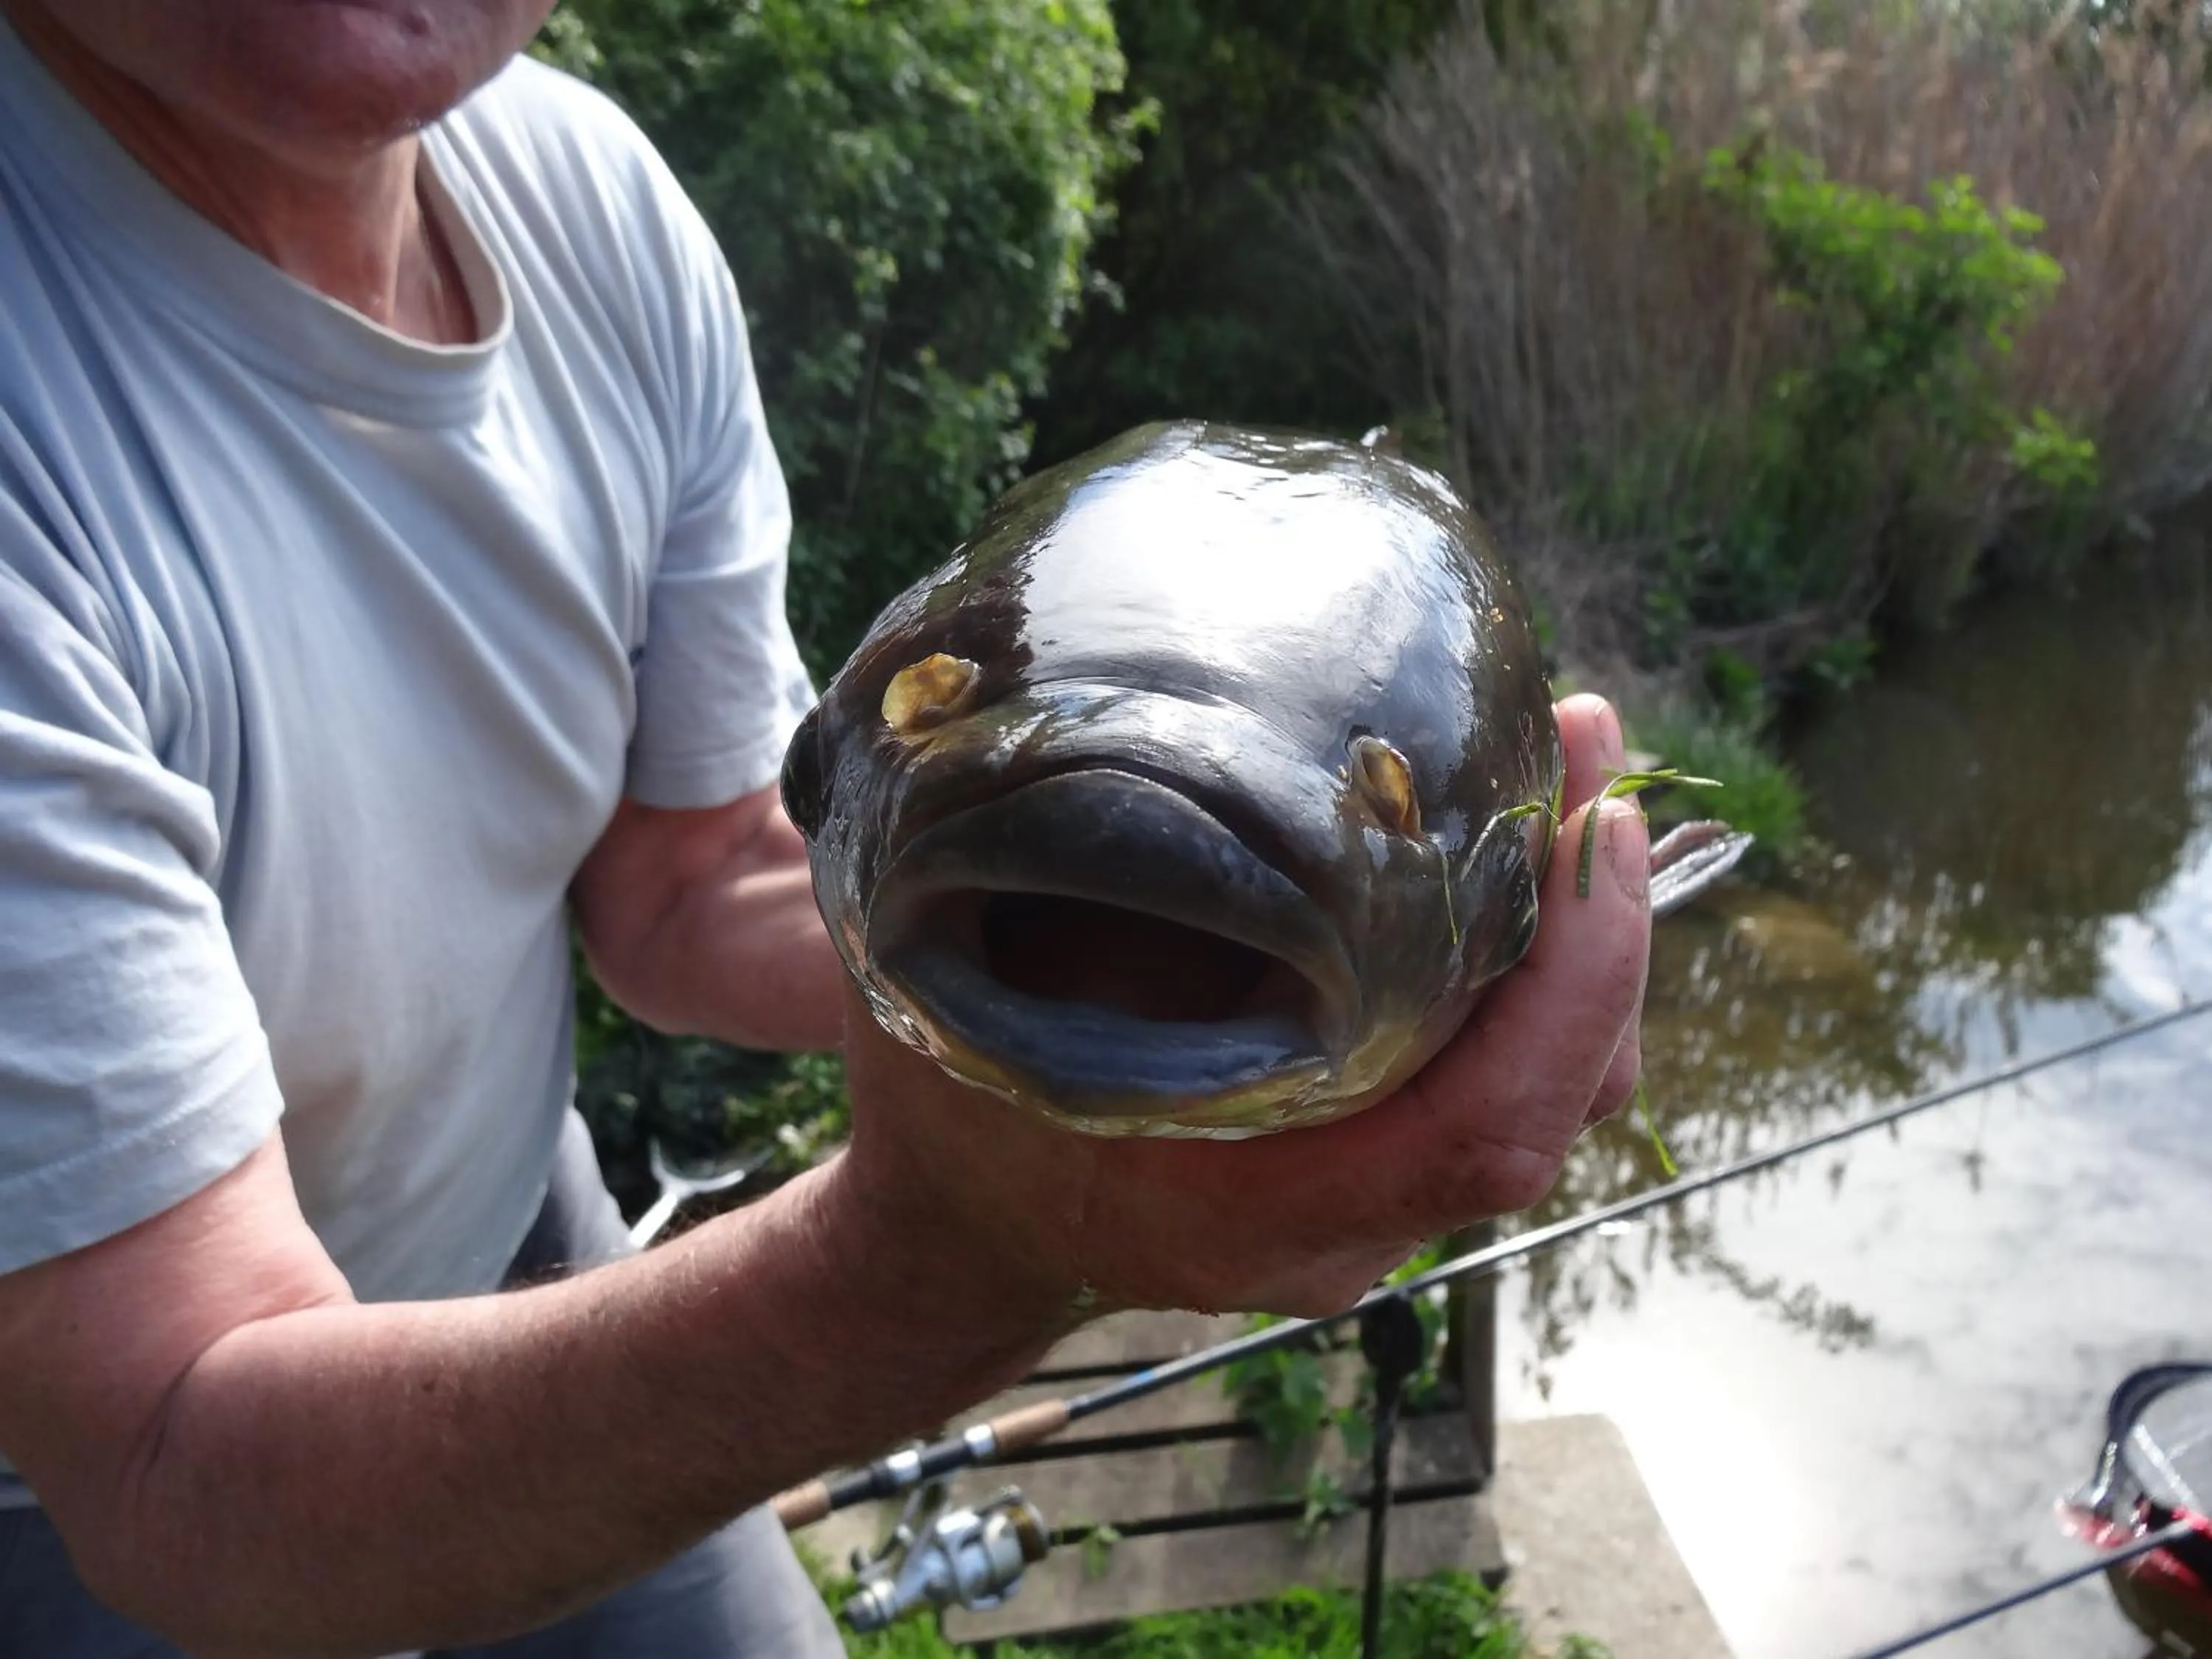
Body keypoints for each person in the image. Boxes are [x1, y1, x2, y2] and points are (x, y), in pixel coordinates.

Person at [0, 1, 1655, 1655]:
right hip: (84, 1488)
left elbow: (688, 880)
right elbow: (169, 1462)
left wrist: (1125, 969)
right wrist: (951, 1251)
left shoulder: (588, 207)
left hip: (518, 1227)